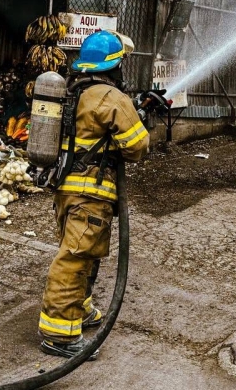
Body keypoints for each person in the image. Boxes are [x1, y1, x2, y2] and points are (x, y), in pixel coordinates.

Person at [39, 30, 150, 360]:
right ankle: (58, 333)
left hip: (66, 190)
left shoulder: (72, 92)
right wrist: (140, 120)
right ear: (114, 66)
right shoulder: (111, 98)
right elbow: (136, 146)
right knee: (74, 259)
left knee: (82, 253)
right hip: (91, 193)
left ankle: (79, 310)